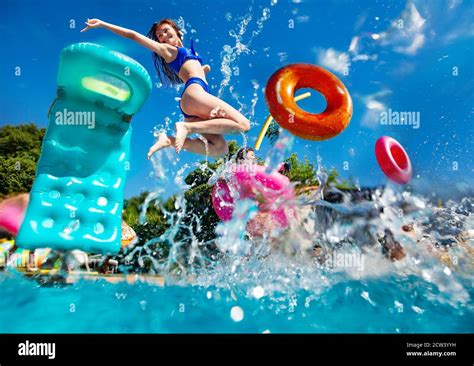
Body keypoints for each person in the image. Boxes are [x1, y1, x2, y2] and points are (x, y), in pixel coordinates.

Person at [81, 18, 250, 158]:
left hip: (192, 104)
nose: (162, 36)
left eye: (165, 31)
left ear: (177, 31)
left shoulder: (186, 52)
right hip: (194, 93)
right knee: (243, 124)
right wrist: (103, 24)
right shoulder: (168, 50)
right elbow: (132, 35)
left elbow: (190, 70)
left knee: (221, 150)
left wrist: (203, 69)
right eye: (159, 35)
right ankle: (187, 128)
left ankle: (169, 140)